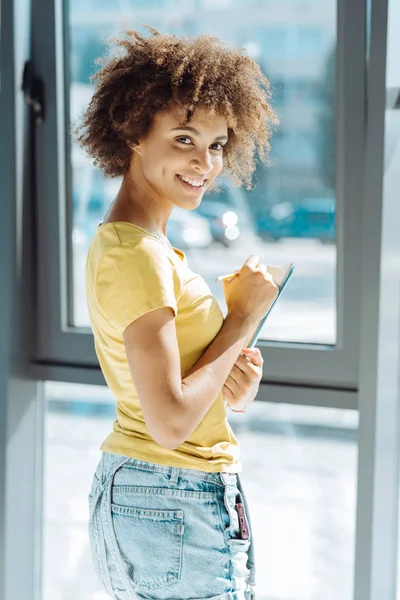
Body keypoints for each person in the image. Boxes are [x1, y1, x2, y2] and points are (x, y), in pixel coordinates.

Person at [73, 27, 279, 600]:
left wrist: (234, 377)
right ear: (135, 131)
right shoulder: (135, 255)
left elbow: (177, 394)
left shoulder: (144, 248)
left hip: (166, 498)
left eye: (216, 145)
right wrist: (240, 321)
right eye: (185, 138)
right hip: (173, 498)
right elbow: (167, 424)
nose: (204, 163)